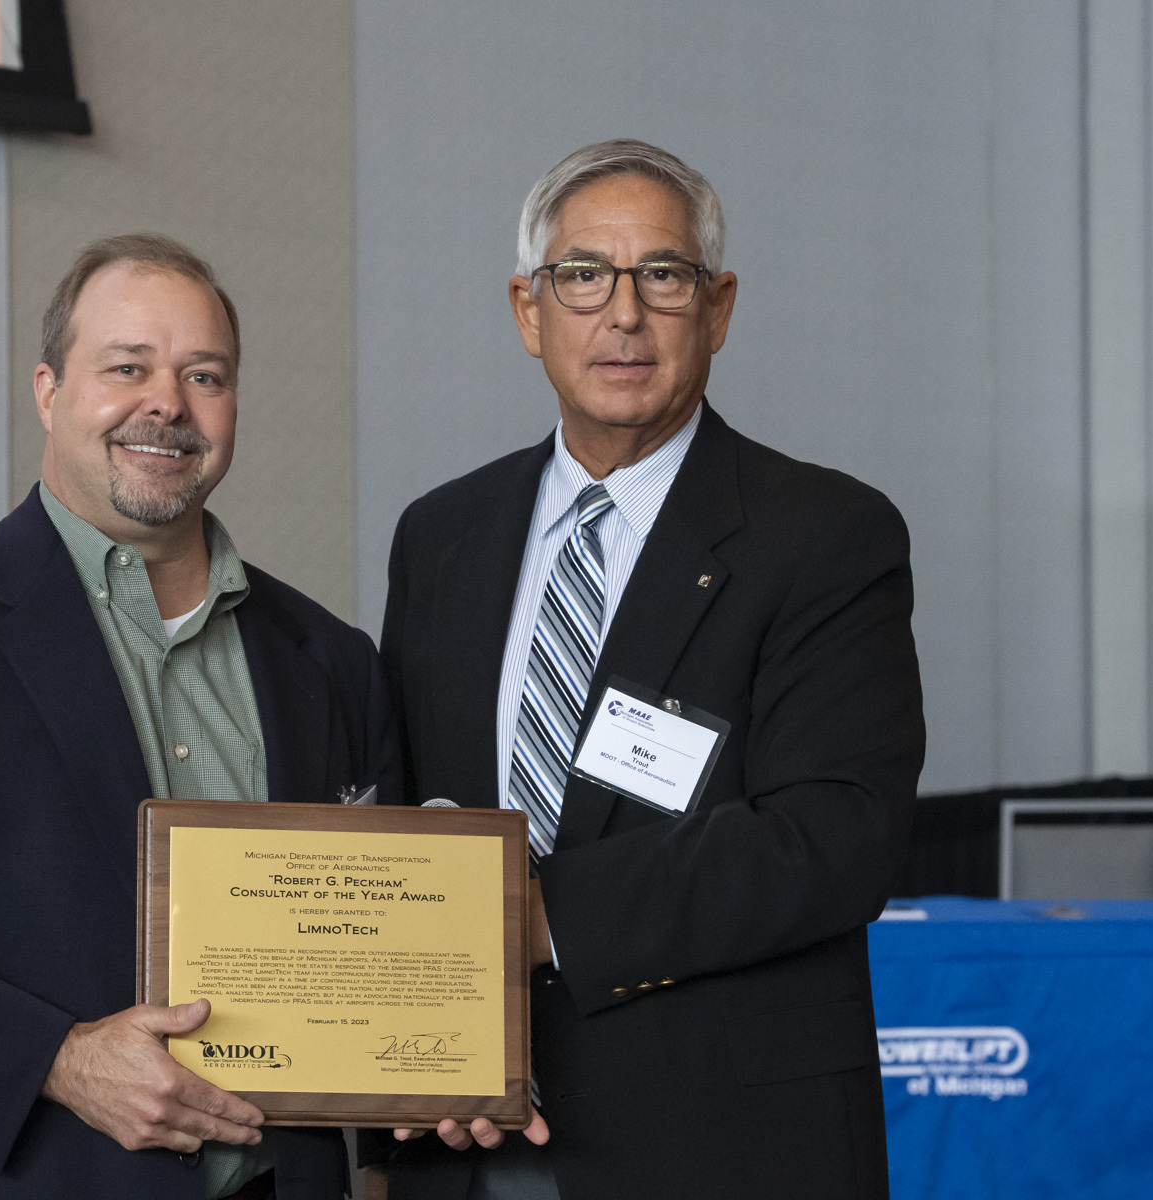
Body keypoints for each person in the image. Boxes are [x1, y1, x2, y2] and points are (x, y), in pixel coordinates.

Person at [0, 233, 392, 1200]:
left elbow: (380, 931)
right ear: (49, 391)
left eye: (203, 376)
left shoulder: (331, 657)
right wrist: (61, 1059)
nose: (167, 403)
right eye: (127, 366)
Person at [371, 140, 925, 1199]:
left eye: (661, 276)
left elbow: (838, 835)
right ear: (529, 311)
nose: (622, 314)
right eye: (583, 276)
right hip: (466, 1139)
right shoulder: (440, 534)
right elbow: (412, 812)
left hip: (724, 1139)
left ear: (716, 309)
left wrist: (540, 915)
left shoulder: (826, 535)